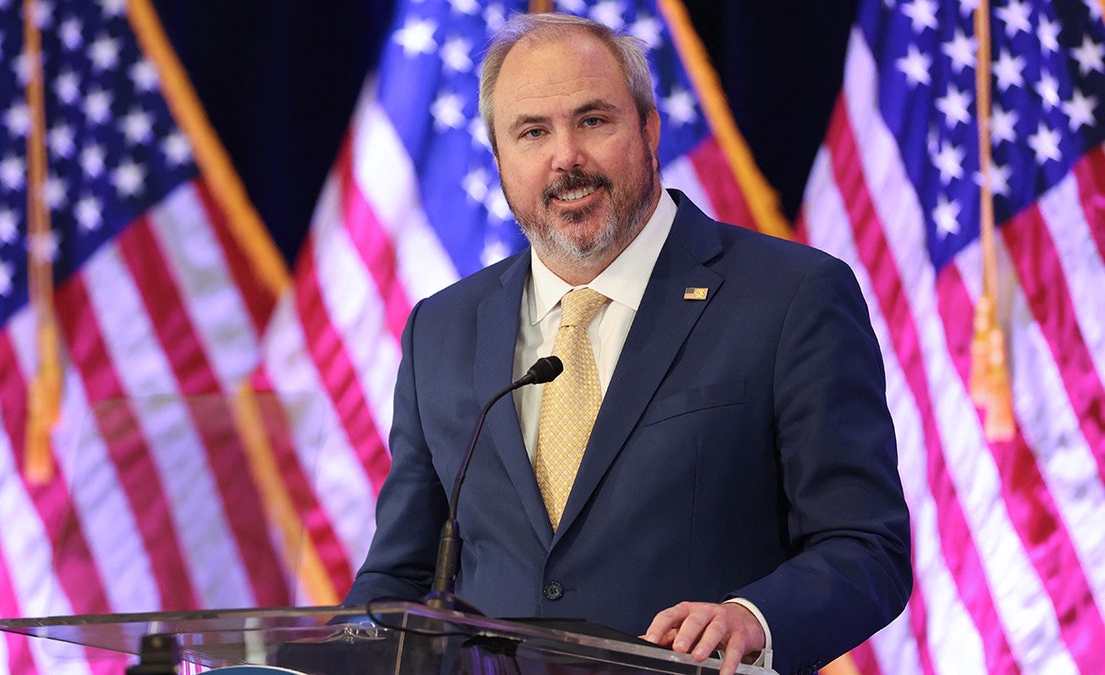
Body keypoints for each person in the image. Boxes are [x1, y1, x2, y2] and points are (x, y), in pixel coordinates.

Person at [344, 12, 911, 675]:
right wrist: (331, 654)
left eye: (593, 120)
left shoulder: (789, 298)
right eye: (532, 132)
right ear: (499, 159)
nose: (566, 157)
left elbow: (865, 545)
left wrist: (753, 618)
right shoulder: (442, 328)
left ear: (649, 129)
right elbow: (401, 574)